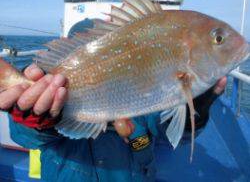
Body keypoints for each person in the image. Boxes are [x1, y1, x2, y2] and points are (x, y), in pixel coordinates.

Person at [0, 63, 227, 182]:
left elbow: (171, 134)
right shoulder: (58, 102)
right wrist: (36, 122)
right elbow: (24, 137)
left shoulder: (143, 98)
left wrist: (194, 111)